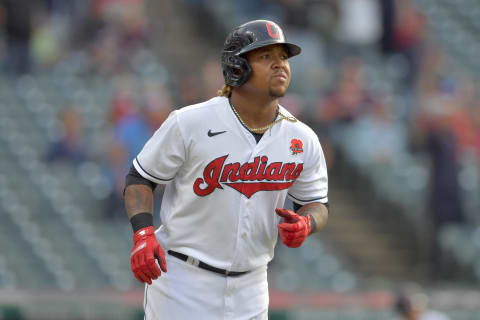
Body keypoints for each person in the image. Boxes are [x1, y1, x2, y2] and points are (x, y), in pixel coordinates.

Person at [123, 20, 329, 319]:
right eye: (265, 57)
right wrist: (143, 233)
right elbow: (140, 177)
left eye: (283, 57)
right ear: (237, 68)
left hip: (253, 283)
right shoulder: (190, 122)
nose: (279, 65)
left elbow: (316, 203)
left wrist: (308, 223)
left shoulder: (301, 138)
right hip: (183, 278)